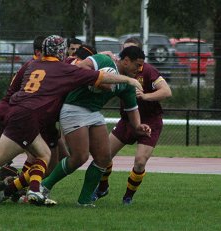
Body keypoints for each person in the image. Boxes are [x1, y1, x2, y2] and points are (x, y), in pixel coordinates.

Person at [0, 34, 144, 206]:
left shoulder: (32, 64)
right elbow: (98, 77)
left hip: (17, 110)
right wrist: (127, 79)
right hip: (31, 114)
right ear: (61, 52)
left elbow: (16, 89)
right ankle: (32, 190)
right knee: (38, 156)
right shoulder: (63, 69)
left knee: (10, 157)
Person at [41, 46, 151, 207]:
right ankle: (44, 186)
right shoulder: (104, 60)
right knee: (79, 157)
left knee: (104, 157)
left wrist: (139, 126)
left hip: (93, 113)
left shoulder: (127, 84)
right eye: (137, 65)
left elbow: (132, 110)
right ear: (126, 61)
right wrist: (96, 79)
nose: (139, 69)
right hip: (74, 108)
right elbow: (80, 67)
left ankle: (84, 200)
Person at [92, 37, 172, 205]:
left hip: (150, 121)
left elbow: (166, 91)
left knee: (140, 162)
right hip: (127, 120)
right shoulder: (118, 69)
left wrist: (145, 96)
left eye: (131, 51)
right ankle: (102, 187)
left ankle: (128, 197)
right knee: (103, 155)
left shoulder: (148, 71)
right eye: (124, 51)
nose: (126, 56)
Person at [0, 35, 68, 177]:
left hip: (30, 116)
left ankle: (19, 187)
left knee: (58, 158)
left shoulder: (39, 65)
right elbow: (17, 94)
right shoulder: (34, 65)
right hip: (19, 115)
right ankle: (15, 188)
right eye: (53, 51)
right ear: (39, 52)